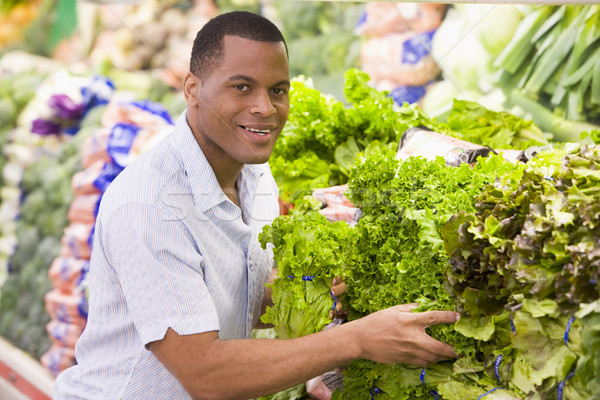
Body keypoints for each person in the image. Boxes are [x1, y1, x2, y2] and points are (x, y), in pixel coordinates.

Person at [53, 11, 459, 400]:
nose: (266, 108)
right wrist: (356, 339)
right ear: (192, 89)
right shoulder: (149, 205)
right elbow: (205, 374)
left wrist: (312, 294)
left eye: (278, 90)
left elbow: (234, 289)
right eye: (242, 87)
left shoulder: (254, 173)